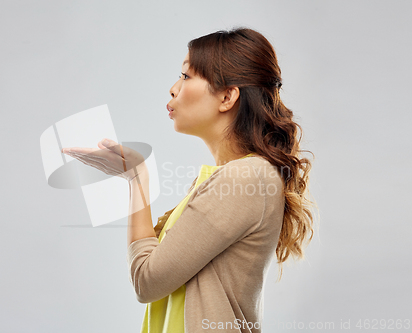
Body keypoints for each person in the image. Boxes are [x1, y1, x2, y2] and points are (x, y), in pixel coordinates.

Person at [63, 27, 316, 333]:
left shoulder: (245, 178)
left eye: (185, 77)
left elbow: (147, 279)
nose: (173, 89)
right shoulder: (232, 177)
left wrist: (137, 177)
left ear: (227, 97)